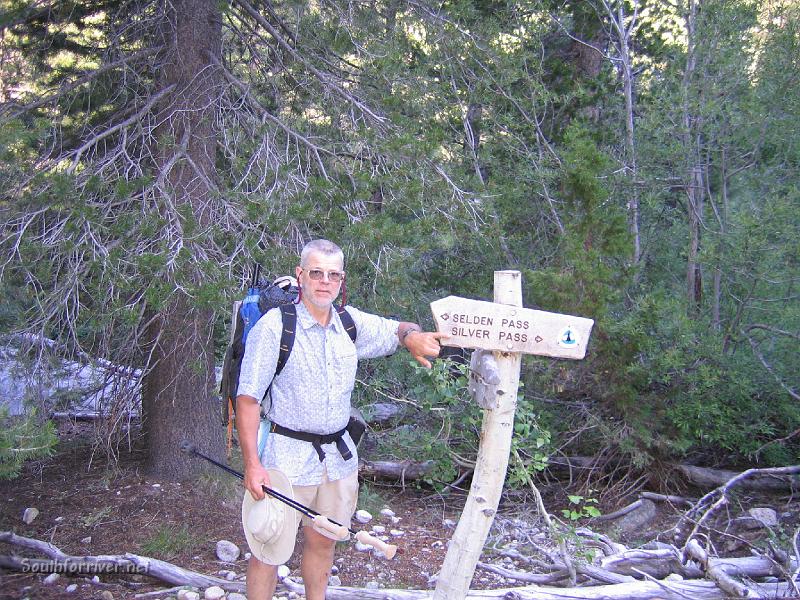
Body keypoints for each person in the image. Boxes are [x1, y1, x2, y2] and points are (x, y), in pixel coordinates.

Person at [236, 239, 446, 600]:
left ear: (341, 280)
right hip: (284, 460)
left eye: (332, 275)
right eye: (316, 273)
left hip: (337, 461)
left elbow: (397, 329)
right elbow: (247, 399)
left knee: (324, 544)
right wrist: (252, 464)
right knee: (268, 550)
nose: (324, 281)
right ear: (301, 275)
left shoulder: (350, 323)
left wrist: (412, 337)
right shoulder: (275, 328)